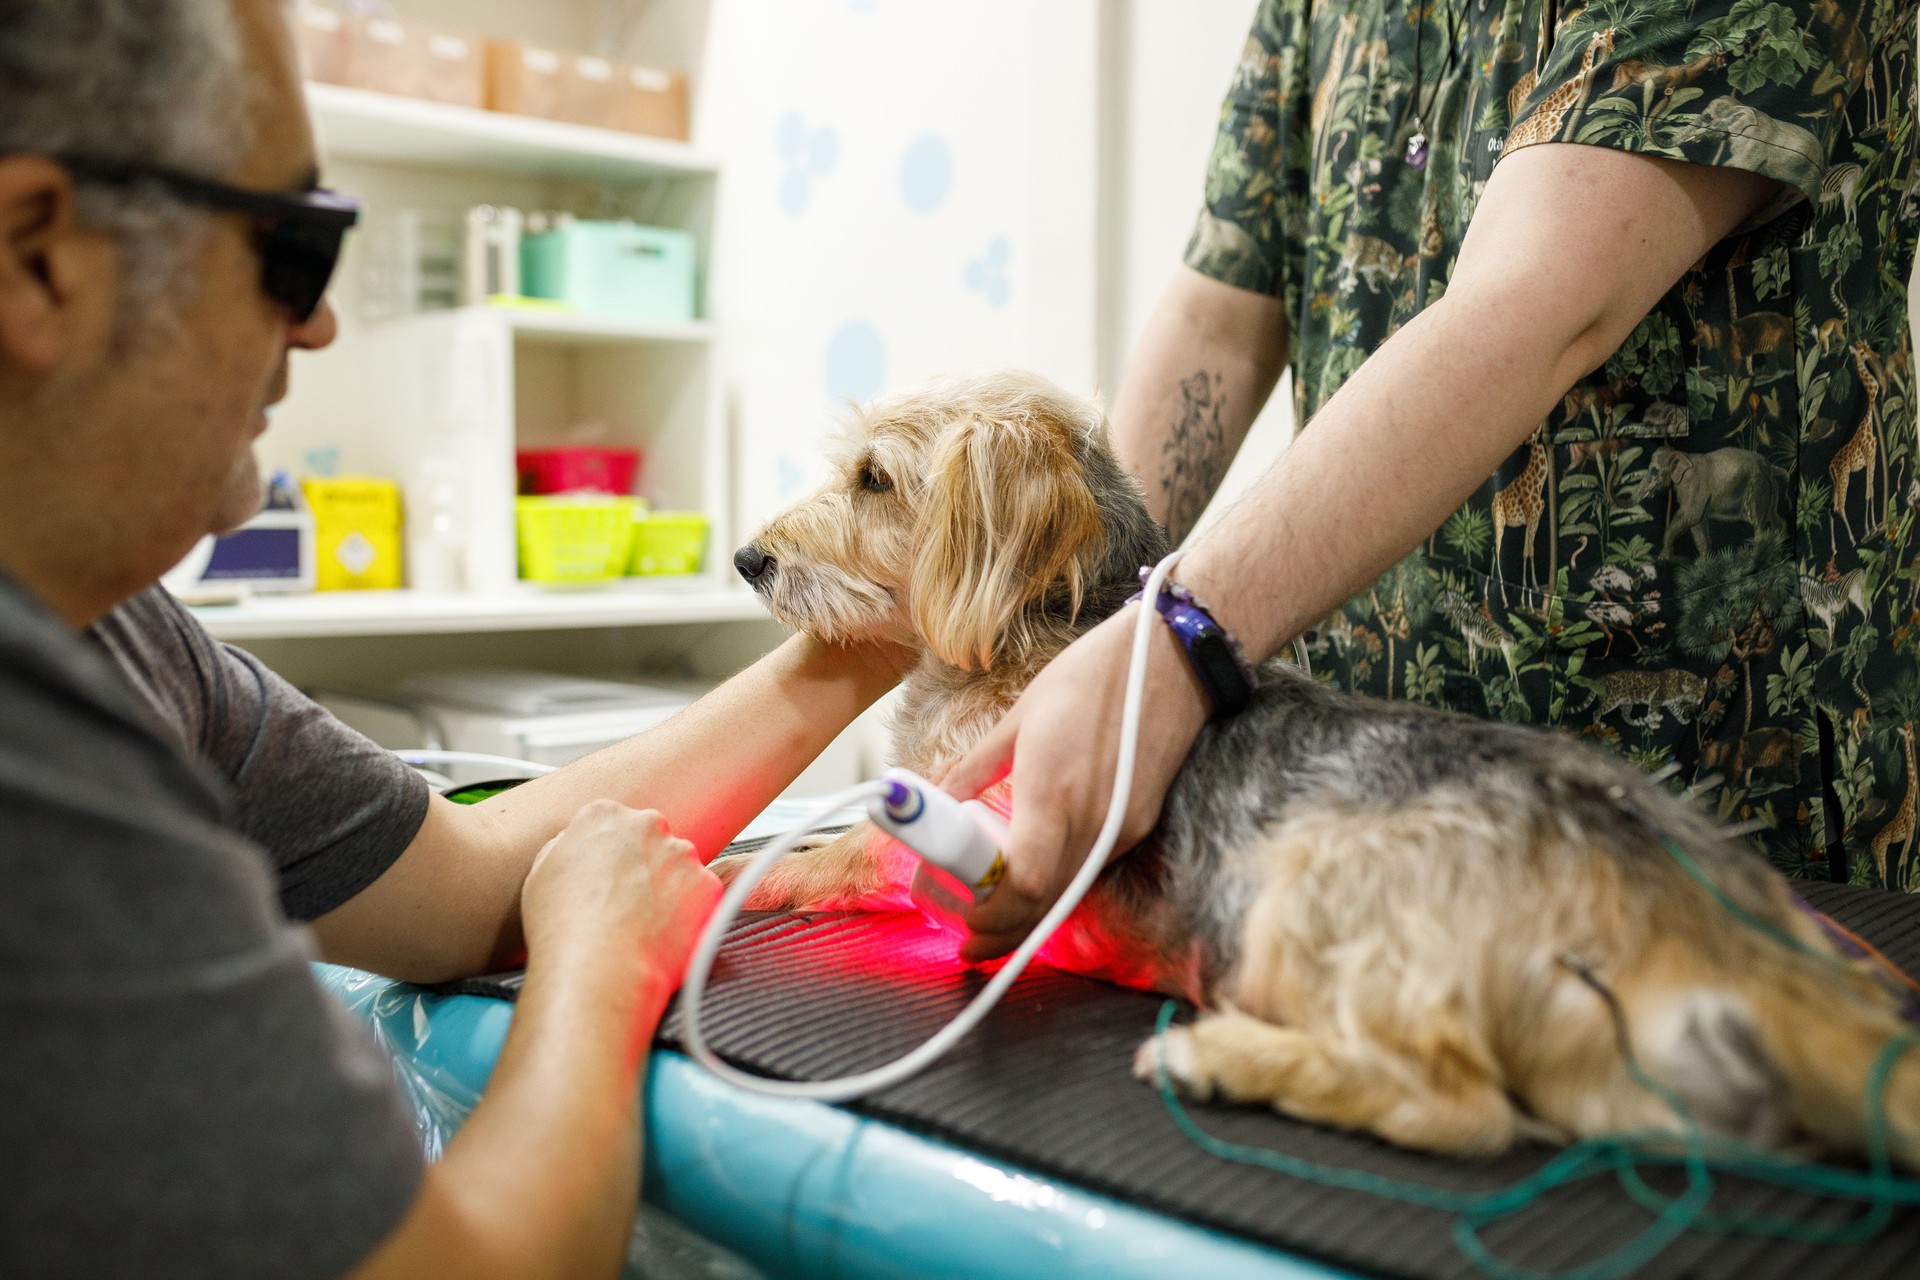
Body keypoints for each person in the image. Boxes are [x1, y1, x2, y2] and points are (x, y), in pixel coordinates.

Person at [0, 2, 903, 1276]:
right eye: (293, 248)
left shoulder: (130, 638)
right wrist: (597, 959)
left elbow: (464, 878)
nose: (316, 327)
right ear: (39, 257)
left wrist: (864, 641)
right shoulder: (33, 751)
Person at [944, 0, 1919, 962]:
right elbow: (1222, 322)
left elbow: (1537, 306)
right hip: (1364, 812)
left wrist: (1169, 647)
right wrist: (1060, 608)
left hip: (1704, 801)